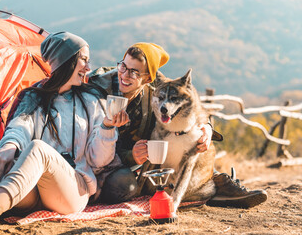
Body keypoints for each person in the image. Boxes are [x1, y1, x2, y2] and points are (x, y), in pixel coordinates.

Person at [0, 32, 129, 235]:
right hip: (31, 191)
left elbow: (99, 161)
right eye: (83, 60)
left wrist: (107, 128)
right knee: (1, 159)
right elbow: (19, 128)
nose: (88, 68)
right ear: (66, 61)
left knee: (38, 148)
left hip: (73, 190)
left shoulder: (92, 101)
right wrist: (9, 147)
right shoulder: (33, 97)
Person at [88, 42, 267, 208]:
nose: (125, 75)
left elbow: (191, 105)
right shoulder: (98, 89)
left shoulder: (157, 93)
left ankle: (217, 184)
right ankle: (212, 189)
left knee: (189, 150)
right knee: (125, 186)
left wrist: (207, 127)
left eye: (134, 72)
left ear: (149, 78)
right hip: (101, 159)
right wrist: (130, 156)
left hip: (137, 162)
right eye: (123, 66)